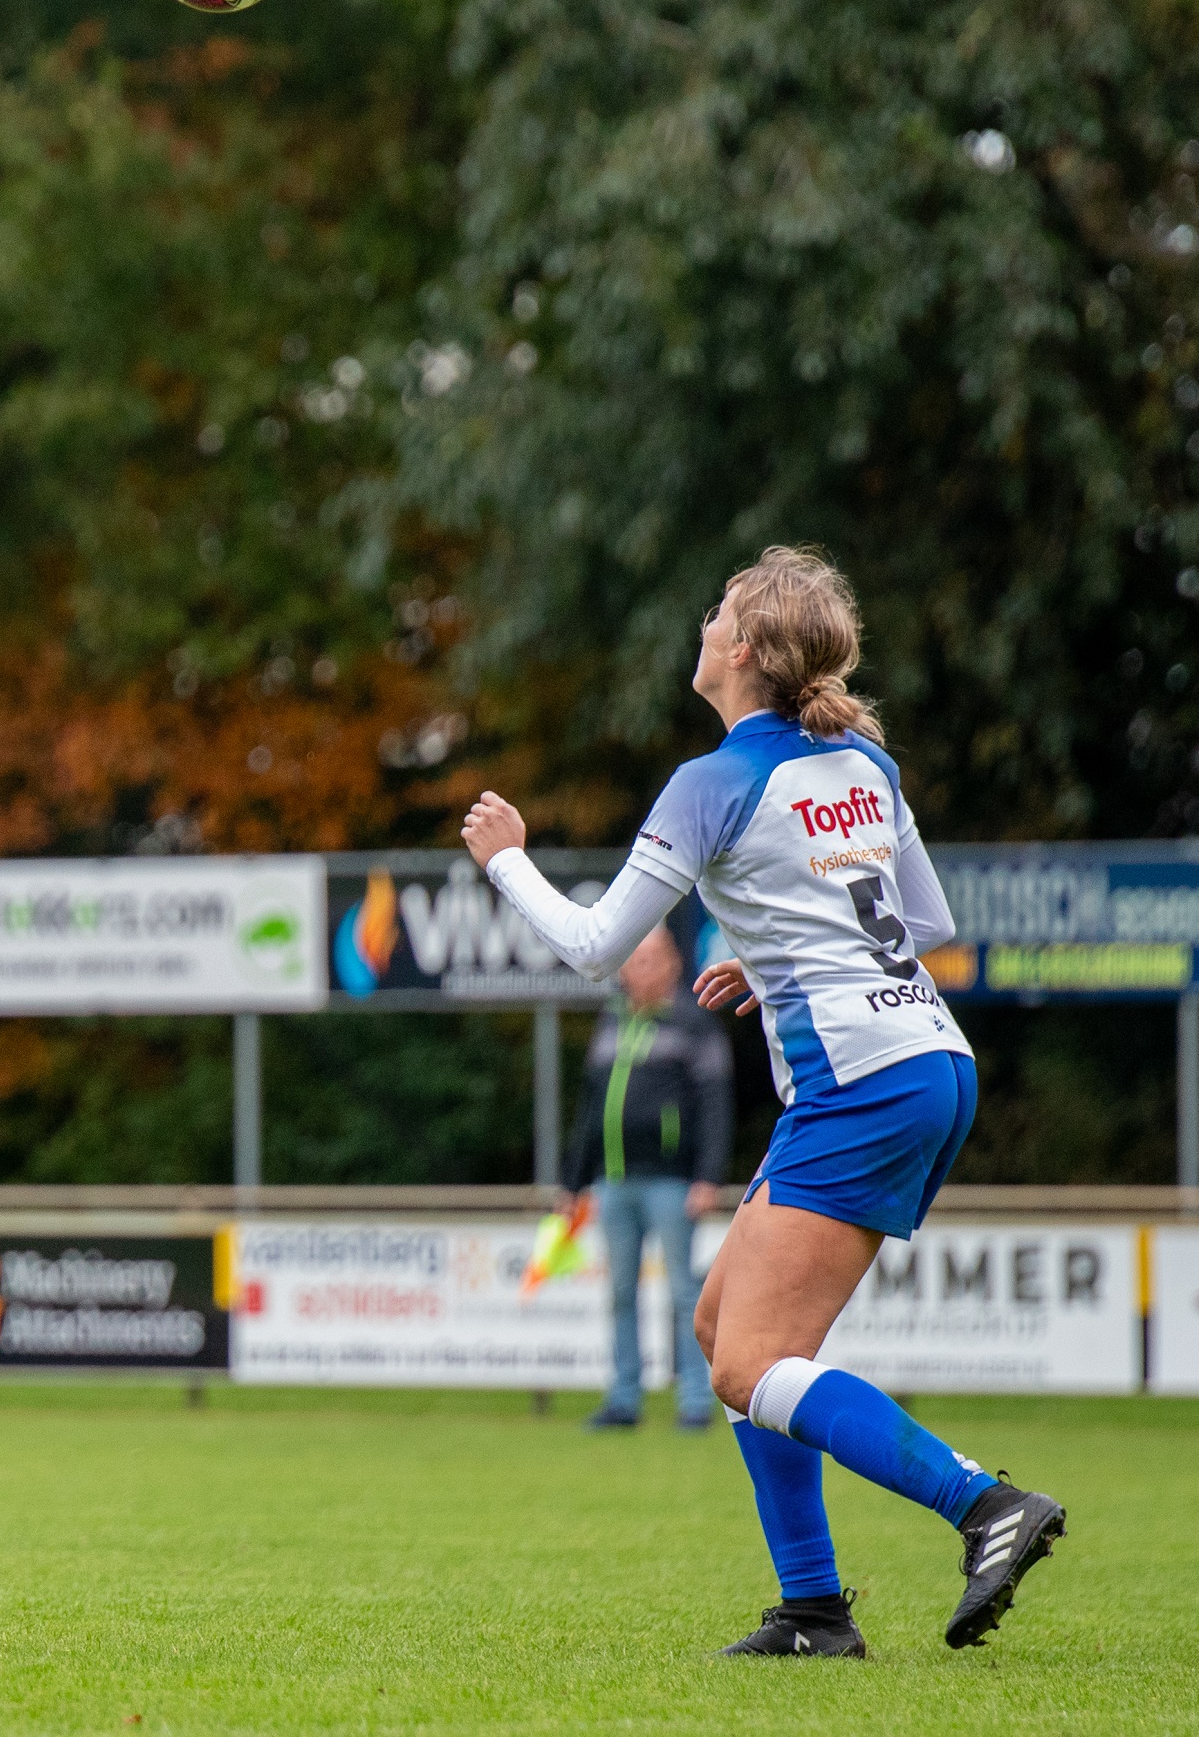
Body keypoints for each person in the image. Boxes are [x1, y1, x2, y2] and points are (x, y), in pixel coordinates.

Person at [461, 546, 1064, 1659]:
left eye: (715, 612)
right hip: (927, 1057)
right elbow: (923, 921)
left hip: (859, 1081)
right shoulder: (860, 762)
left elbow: (597, 947)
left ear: (740, 651)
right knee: (718, 1329)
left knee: (747, 1362)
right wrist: (769, 947)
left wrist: (507, 861)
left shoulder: (712, 782)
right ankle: (811, 1611)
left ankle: (982, 1507)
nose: (701, 625)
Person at [561, 924, 731, 1433]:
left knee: (684, 1295)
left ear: (673, 964)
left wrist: (708, 1176)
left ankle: (695, 1403)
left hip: (673, 1182)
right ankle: (623, 1398)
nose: (640, 968)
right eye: (633, 960)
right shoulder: (609, 1020)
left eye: (651, 958)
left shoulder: (695, 1022)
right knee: (620, 1294)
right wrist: (572, 1182)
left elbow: (715, 1104)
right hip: (612, 1181)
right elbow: (592, 1108)